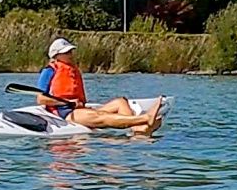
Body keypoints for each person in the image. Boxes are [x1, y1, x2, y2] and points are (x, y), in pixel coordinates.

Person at [36, 36, 164, 134]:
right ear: (56, 55)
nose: (70, 55)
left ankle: (138, 129)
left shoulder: (72, 68)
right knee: (101, 117)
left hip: (80, 109)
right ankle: (145, 119)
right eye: (67, 52)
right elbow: (41, 99)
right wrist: (67, 102)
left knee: (120, 102)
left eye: (71, 51)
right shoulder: (49, 71)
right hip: (65, 113)